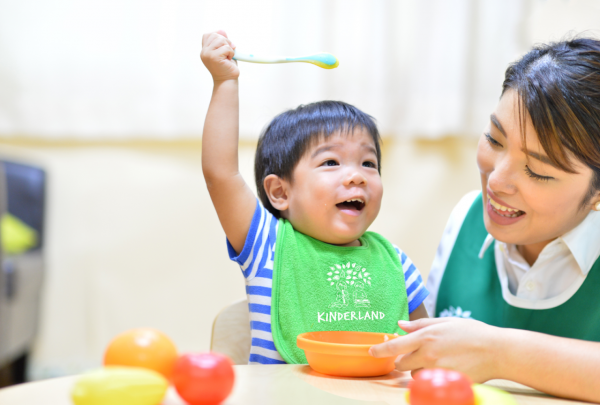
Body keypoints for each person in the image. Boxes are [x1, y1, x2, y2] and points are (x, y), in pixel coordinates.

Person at [370, 37, 600, 402]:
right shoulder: (468, 218)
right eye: (494, 140)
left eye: (537, 171)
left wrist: (499, 352)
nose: (496, 181)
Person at [200, 30, 429, 365]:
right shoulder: (267, 245)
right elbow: (220, 174)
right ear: (280, 192)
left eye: (368, 163)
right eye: (331, 162)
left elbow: (423, 351)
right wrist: (224, 81)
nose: (357, 175)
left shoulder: (396, 263)